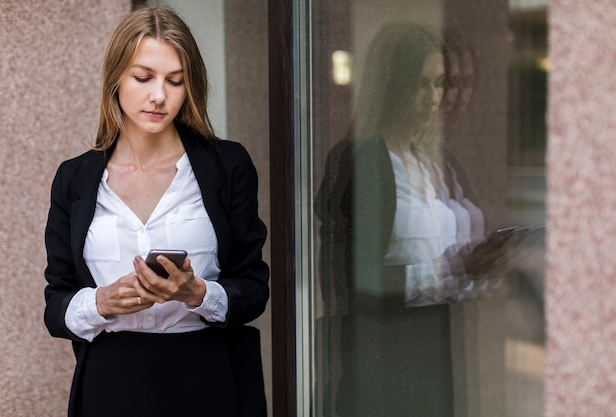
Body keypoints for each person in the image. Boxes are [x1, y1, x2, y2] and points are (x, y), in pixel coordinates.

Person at [43, 6, 269, 417]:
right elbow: (55, 304)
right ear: (115, 78)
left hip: (207, 377)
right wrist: (102, 302)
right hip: (110, 383)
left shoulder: (228, 165)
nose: (159, 95)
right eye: (143, 77)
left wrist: (198, 294)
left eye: (175, 81)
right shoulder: (73, 179)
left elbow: (254, 287)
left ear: (190, 86)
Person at [315, 23, 509, 416]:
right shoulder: (362, 161)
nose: (433, 98)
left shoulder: (437, 162)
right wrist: (452, 269)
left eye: (439, 83)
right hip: (383, 348)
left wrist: (484, 263)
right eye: (419, 84)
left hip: (436, 340)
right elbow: (356, 280)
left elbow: (452, 260)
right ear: (391, 86)